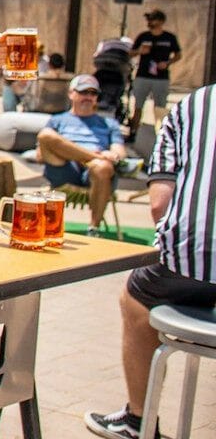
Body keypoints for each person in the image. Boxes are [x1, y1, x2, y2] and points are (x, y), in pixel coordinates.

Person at [84, 84, 216, 439]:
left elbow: (159, 205)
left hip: (196, 262)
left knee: (135, 296)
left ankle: (139, 419)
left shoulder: (192, 107)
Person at [36, 73, 129, 236]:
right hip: (64, 168)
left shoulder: (109, 123)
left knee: (103, 167)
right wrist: (81, 155)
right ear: (71, 93)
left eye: (93, 93)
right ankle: (92, 157)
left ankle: (93, 228)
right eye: (83, 92)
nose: (88, 97)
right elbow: (40, 156)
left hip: (94, 173)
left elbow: (119, 152)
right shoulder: (57, 120)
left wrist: (111, 155)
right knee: (46, 135)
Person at [127, 8, 180, 138]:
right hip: (143, 75)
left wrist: (167, 63)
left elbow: (178, 54)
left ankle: (161, 135)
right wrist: (140, 51)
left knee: (160, 108)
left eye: (153, 19)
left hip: (161, 78)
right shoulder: (143, 36)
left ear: (161, 21)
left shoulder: (169, 37)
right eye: (149, 19)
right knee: (138, 105)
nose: (150, 22)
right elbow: (130, 53)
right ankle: (133, 132)